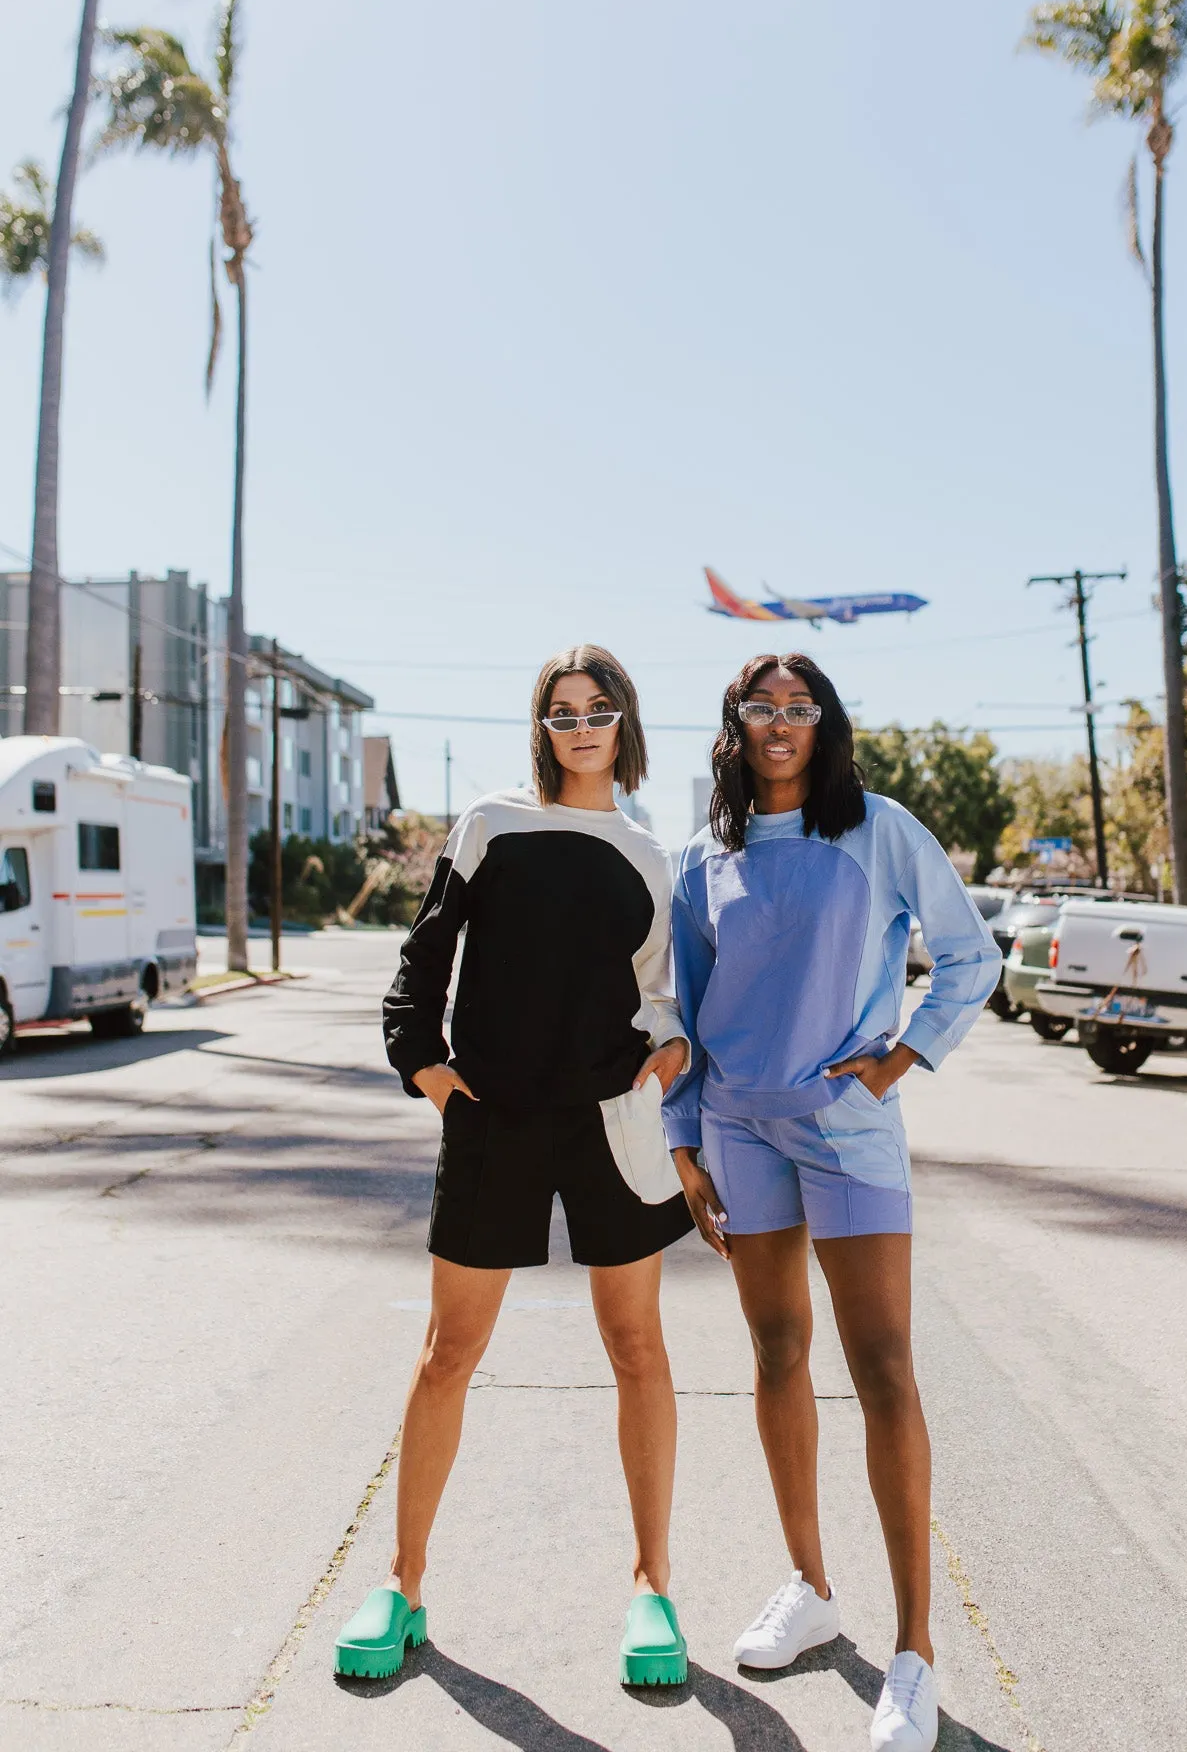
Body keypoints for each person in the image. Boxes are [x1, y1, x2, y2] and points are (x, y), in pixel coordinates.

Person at [334, 645, 695, 1689]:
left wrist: (667, 1050)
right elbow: (422, 960)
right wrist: (430, 1070)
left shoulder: (646, 853)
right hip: (493, 1118)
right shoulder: (490, 825)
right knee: (448, 1350)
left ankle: (651, 1587)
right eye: (561, 712)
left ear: (624, 721)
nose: (581, 726)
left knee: (638, 1349)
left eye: (598, 709)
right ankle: (402, 1582)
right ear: (540, 728)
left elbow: (658, 992)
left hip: (607, 1122)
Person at [663, 652, 1000, 1752]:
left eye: (798, 707)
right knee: (773, 1353)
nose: (779, 722)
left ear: (825, 721)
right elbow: (688, 1012)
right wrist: (684, 1142)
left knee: (886, 1369)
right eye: (760, 706)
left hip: (847, 1130)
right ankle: (810, 1585)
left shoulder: (879, 828)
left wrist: (901, 1061)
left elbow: (970, 957)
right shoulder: (704, 856)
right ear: (734, 723)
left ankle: (914, 1652)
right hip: (741, 1129)